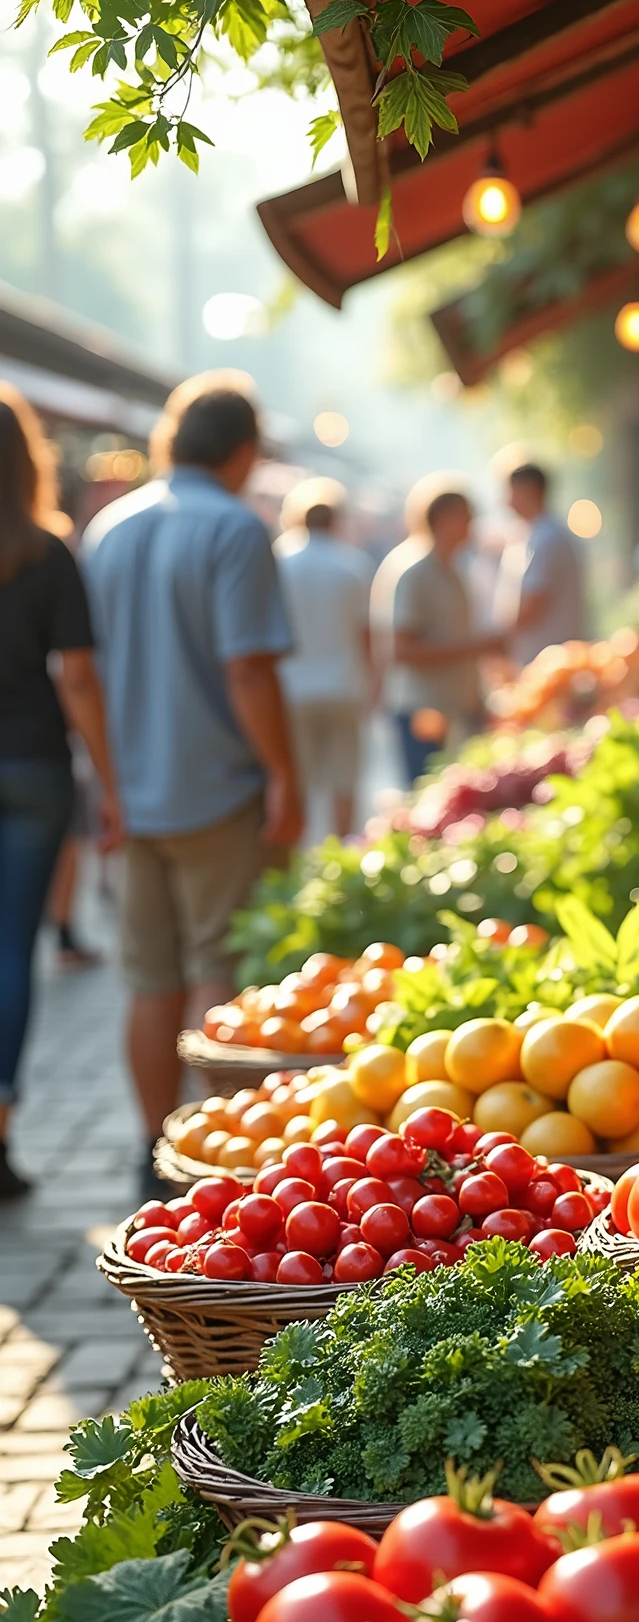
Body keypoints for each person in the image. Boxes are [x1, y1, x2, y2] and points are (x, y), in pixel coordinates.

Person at [82, 373, 302, 1198]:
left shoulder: (109, 528)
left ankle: (151, 1146)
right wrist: (284, 774)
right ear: (244, 451)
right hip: (218, 787)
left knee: (148, 977)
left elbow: (85, 672)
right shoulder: (236, 530)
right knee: (218, 966)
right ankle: (217, 1155)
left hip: (132, 792)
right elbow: (248, 670)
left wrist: (106, 782)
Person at [0, 383, 121, 1197]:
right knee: (14, 951)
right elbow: (78, 678)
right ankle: (0, 1129)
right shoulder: (47, 552)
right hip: (35, 767)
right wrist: (109, 782)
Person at [371, 474, 504, 783]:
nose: (472, 525)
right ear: (444, 518)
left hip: (453, 708)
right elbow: (402, 650)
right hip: (423, 709)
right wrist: (477, 647)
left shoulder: (452, 568)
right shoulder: (414, 570)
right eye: (466, 517)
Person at [274, 477, 374, 838]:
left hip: (291, 689)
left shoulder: (278, 562)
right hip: (343, 686)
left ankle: (298, 861)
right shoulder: (353, 564)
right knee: (344, 782)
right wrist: (373, 683)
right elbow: (366, 635)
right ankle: (340, 857)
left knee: (297, 781)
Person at [495, 463, 588, 665]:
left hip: (544, 658)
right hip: (544, 655)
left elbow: (533, 604)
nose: (507, 502)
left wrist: (496, 640)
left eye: (511, 493)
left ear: (530, 490)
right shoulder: (541, 534)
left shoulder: (545, 539)